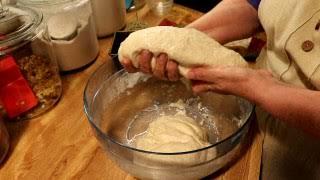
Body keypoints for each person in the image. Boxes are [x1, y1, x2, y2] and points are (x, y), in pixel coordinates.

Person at [121, 0, 320, 179]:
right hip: (249, 118)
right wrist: (184, 41)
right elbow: (253, 5)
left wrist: (261, 89)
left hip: (300, 160)